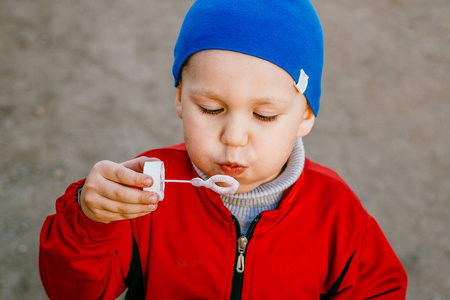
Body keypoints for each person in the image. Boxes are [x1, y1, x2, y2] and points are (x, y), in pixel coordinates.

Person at [39, 0, 408, 299]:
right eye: (211, 109)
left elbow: (380, 289)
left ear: (305, 116)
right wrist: (90, 220)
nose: (233, 137)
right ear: (181, 98)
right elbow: (71, 292)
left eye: (264, 115)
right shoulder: (143, 193)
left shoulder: (336, 211)